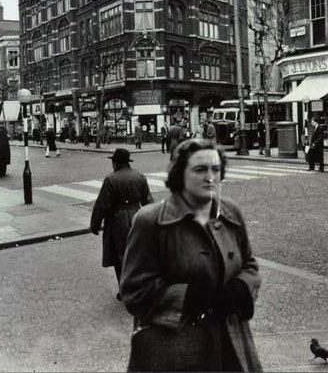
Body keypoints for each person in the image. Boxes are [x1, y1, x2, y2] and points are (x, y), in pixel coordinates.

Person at [120, 139, 261, 372]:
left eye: (216, 169)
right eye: (200, 169)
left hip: (231, 343)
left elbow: (250, 263)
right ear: (179, 174)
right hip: (176, 348)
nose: (210, 177)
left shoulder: (230, 212)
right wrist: (191, 297)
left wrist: (241, 289)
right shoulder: (150, 221)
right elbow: (135, 291)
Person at [90, 148, 153, 300]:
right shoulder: (140, 176)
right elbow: (148, 201)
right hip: (137, 217)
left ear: (115, 162)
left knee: (121, 257)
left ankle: (126, 290)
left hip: (118, 220)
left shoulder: (111, 179)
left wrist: (95, 224)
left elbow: (102, 205)